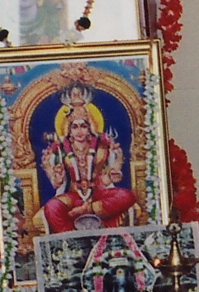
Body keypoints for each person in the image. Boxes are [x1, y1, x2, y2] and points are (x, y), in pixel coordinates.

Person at [37, 83, 138, 234]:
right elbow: (56, 183)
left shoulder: (101, 147)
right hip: (73, 196)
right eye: (75, 127)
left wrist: (114, 173)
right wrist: (53, 173)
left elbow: (108, 177)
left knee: (127, 196)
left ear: (89, 128)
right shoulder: (60, 150)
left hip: (98, 195)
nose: (79, 131)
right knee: (51, 208)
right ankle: (72, 240)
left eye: (83, 126)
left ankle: (87, 210)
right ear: (69, 130)